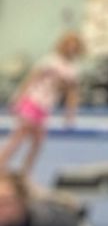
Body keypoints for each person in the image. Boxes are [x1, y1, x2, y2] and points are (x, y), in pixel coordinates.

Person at [0, 30, 84, 178]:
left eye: (74, 46)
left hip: (44, 107)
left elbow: (72, 95)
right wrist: (18, 98)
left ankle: (24, 174)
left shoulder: (72, 71)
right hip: (32, 101)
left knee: (37, 142)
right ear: (63, 45)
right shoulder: (50, 61)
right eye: (69, 45)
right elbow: (31, 79)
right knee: (20, 136)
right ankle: (3, 167)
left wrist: (70, 114)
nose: (71, 49)